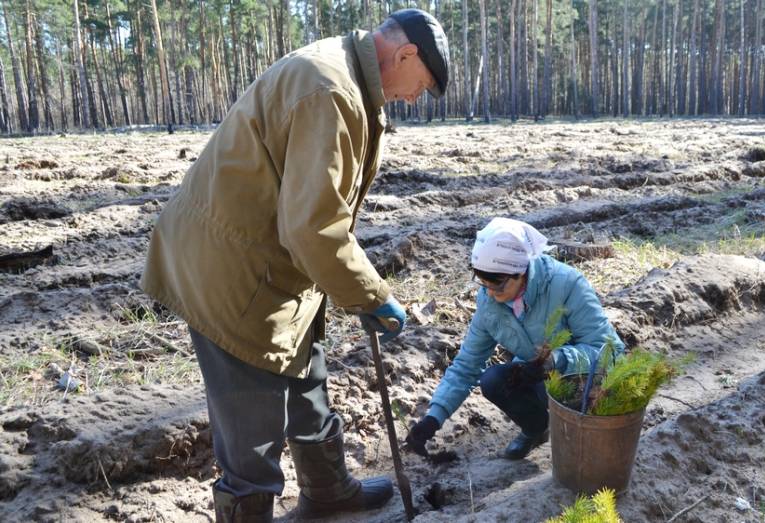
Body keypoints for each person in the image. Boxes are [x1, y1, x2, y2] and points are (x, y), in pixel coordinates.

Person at [140, 9, 449, 523]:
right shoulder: (331, 90)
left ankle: (328, 492)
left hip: (270, 263)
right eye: (423, 85)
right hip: (233, 274)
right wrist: (373, 297)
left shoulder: (344, 74)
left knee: (308, 378)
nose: (415, 98)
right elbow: (312, 227)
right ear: (405, 54)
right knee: (252, 427)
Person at [405, 218, 625, 460]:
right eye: (482, 282)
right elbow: (466, 365)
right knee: (493, 380)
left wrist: (556, 360)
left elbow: (609, 352)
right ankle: (536, 429)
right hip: (538, 374)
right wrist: (433, 418)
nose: (489, 292)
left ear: (520, 272)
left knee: (560, 415)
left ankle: (578, 443)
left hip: (583, 380)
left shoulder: (568, 284)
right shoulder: (489, 302)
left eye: (497, 284)